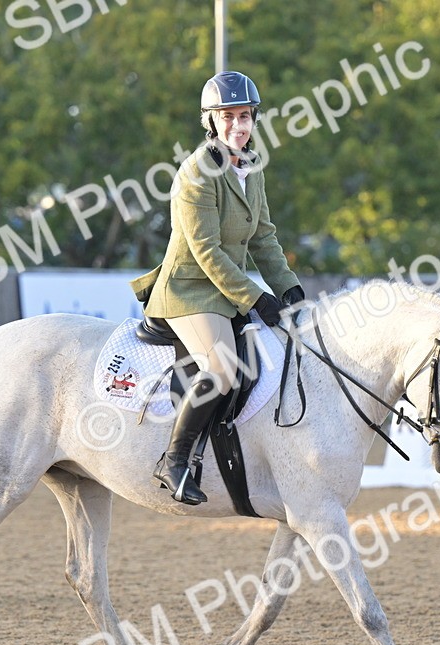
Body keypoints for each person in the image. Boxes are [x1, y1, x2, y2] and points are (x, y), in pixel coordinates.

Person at [130, 70, 306, 506]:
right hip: (189, 289)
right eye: (227, 117)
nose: (238, 126)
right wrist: (256, 297)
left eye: (245, 116)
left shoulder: (251, 167)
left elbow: (263, 237)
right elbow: (207, 252)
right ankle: (174, 460)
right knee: (224, 366)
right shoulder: (196, 174)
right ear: (210, 121)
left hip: (225, 289)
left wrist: (289, 289)